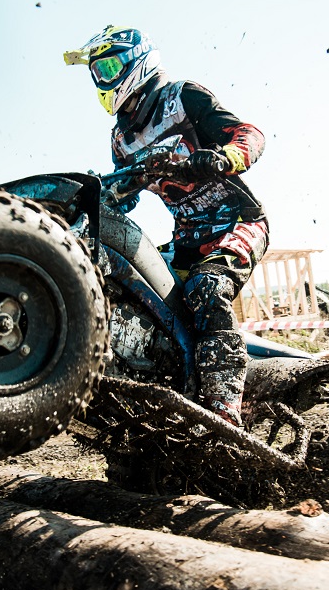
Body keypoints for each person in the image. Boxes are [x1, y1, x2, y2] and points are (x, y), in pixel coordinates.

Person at [64, 25, 268, 427]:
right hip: (187, 239)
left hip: (237, 223)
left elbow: (249, 134)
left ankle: (224, 411)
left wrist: (224, 157)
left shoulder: (183, 97)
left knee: (206, 288)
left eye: (109, 67)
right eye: (96, 72)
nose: (102, 79)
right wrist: (101, 196)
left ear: (137, 60)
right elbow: (125, 195)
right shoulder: (122, 138)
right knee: (134, 289)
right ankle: (168, 389)